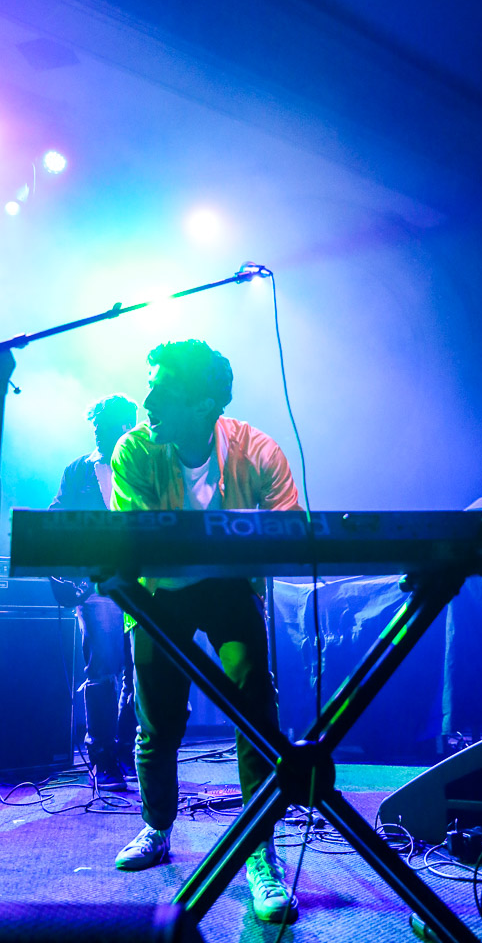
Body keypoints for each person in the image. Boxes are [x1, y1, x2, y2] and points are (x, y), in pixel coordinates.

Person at [110, 339, 301, 924]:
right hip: (157, 594)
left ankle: (259, 852)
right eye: (148, 384)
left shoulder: (256, 448)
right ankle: (157, 826)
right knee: (159, 719)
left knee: (254, 705)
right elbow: (131, 543)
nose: (146, 399)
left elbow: (292, 529)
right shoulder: (134, 451)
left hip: (226, 592)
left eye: (162, 389)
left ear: (205, 403)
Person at [50, 394, 139, 792]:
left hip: (141, 584)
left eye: (108, 425)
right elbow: (56, 517)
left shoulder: (143, 462)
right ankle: (102, 756)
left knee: (142, 675)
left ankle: (126, 751)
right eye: (97, 426)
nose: (100, 433)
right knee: (104, 671)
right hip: (97, 587)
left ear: (128, 426)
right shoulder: (77, 470)